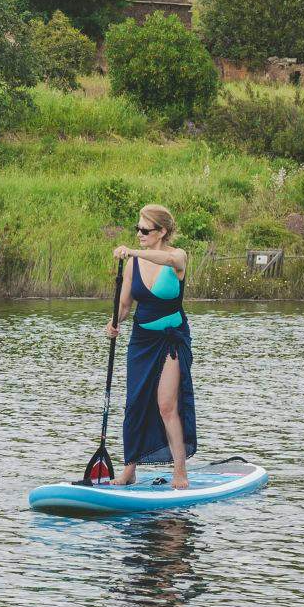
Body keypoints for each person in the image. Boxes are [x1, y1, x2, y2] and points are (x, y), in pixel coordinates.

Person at [104, 203, 196, 489]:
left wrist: (133, 251)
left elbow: (167, 261)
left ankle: (180, 471)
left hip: (171, 338)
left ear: (162, 232)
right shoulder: (134, 264)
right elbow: (125, 304)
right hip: (142, 340)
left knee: (167, 404)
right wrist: (114, 321)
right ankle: (129, 469)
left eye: (145, 230)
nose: (139, 234)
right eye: (137, 230)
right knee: (135, 402)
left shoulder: (177, 257)